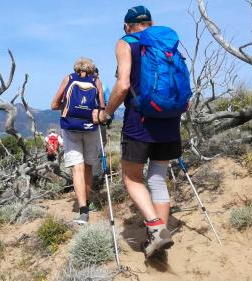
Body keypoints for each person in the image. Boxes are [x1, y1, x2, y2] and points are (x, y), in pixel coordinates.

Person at [100, 6, 182, 258]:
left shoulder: (126, 43)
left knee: (132, 178)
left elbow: (123, 84)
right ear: (151, 23)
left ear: (127, 26)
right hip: (169, 118)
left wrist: (106, 112)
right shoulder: (166, 43)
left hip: (140, 119)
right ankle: (158, 237)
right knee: (157, 178)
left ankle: (155, 229)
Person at [51, 57, 105, 224]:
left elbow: (54, 105)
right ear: (92, 69)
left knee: (78, 168)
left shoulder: (69, 79)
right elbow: (102, 108)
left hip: (71, 128)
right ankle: (88, 202)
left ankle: (83, 211)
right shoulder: (96, 81)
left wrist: (67, 106)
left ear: (76, 68)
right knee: (88, 167)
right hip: (91, 128)